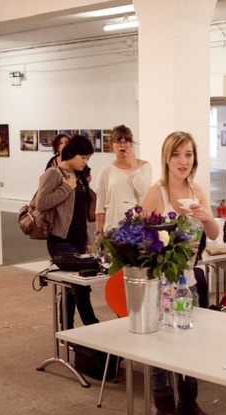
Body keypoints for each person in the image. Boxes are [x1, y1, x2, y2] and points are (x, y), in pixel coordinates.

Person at [139, 131, 219, 415]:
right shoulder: (155, 193)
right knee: (162, 347)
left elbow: (212, 234)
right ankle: (165, 411)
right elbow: (138, 242)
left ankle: (188, 402)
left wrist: (206, 216)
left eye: (188, 154)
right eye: (176, 154)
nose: (183, 161)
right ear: (167, 158)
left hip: (189, 282)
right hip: (160, 284)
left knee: (190, 341)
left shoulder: (197, 190)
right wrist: (167, 242)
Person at [35, 135, 99, 329]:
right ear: (71, 153)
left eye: (88, 158)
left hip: (79, 241)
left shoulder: (79, 177)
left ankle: (67, 330)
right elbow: (41, 203)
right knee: (80, 285)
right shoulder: (53, 174)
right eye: (83, 157)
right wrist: (65, 188)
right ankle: (91, 325)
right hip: (60, 241)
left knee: (74, 286)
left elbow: (80, 214)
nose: (85, 162)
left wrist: (87, 240)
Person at [94, 125, 152, 242]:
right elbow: (100, 206)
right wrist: (98, 232)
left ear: (131, 144)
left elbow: (145, 193)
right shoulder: (106, 171)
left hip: (136, 229)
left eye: (126, 141)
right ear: (112, 145)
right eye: (118, 141)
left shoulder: (144, 166)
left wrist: (134, 166)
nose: (122, 145)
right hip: (112, 229)